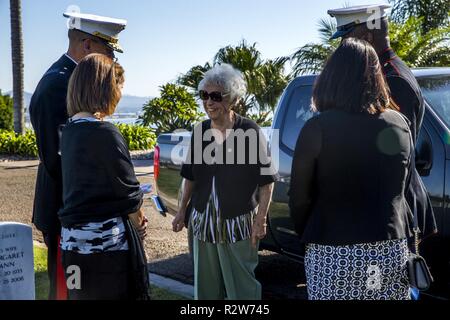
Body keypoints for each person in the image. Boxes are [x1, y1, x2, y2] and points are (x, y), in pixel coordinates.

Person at [289, 38, 413, 300]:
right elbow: (404, 189)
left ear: (331, 78)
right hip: (390, 248)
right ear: (377, 78)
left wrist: (309, 233)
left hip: (333, 250)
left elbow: (299, 198)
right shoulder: (399, 123)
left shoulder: (317, 128)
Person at [29, 11, 127, 300]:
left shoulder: (71, 80)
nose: (111, 59)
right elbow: (61, 161)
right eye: (108, 50)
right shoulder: (58, 86)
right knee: (68, 291)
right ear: (87, 46)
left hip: (77, 211)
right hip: (68, 210)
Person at [327, 4, 437, 240]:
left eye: (347, 37)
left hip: (395, 214)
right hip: (386, 210)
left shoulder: (393, 81)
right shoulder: (385, 74)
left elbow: (391, 155)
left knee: (388, 279)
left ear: (366, 37)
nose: (343, 46)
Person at [172, 64, 276, 300]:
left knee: (242, 289)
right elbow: (189, 177)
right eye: (205, 96)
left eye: (216, 96)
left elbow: (267, 182)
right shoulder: (200, 131)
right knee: (206, 290)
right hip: (202, 221)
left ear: (233, 99)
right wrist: (181, 212)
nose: (209, 102)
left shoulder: (249, 131)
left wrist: (260, 221)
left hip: (238, 222)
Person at [58, 53, 148, 300]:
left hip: (72, 244)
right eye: (117, 86)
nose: (119, 95)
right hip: (106, 249)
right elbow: (129, 194)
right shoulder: (105, 133)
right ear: (104, 88)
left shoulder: (68, 132)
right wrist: (140, 226)